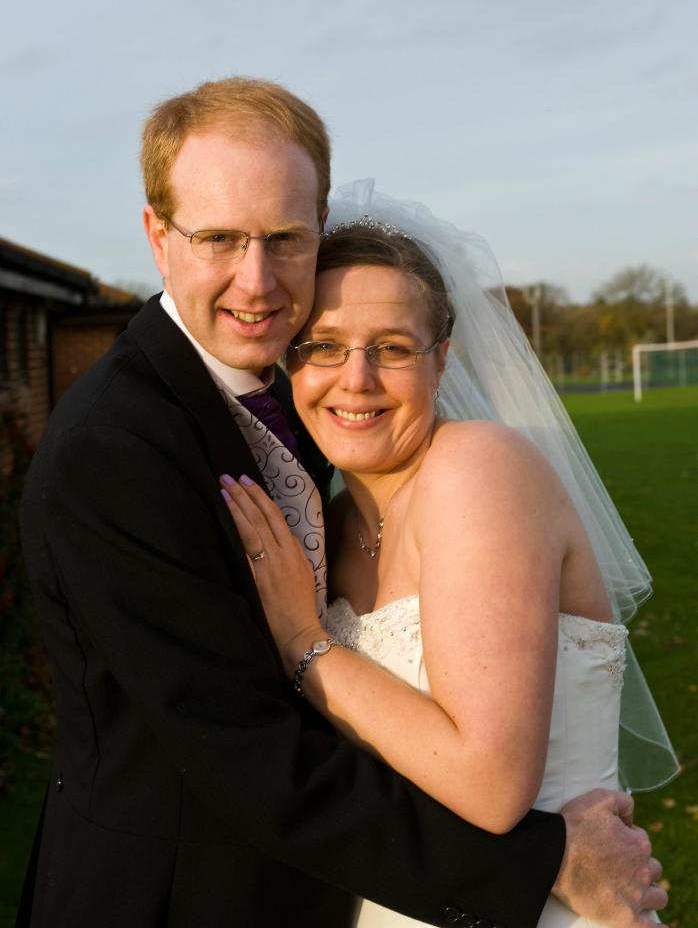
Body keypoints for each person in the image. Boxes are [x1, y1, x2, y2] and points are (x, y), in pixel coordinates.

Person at [17, 78, 666, 928]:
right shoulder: (118, 444)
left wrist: (308, 643)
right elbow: (243, 751)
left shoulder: (372, 452)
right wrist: (543, 862)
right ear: (157, 235)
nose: (256, 280)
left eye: (285, 238)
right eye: (220, 237)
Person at [220, 182, 678, 927]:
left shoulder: (478, 468)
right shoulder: (329, 524)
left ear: (443, 361)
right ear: (289, 361)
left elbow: (492, 783)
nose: (356, 378)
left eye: (393, 349)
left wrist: (306, 641)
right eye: (325, 346)